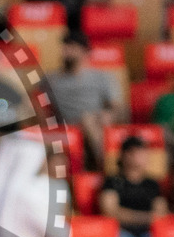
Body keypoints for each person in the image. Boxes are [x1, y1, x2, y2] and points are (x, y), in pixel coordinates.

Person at [46, 30, 124, 167]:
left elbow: (117, 107)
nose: (66, 51)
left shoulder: (102, 77)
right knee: (85, 121)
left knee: (88, 121)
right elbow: (35, 102)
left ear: (85, 51)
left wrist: (108, 114)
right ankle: (107, 168)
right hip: (67, 127)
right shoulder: (51, 80)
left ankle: (103, 166)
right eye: (65, 46)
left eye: (71, 47)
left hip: (96, 122)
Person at [99, 135, 167, 237]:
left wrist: (136, 217)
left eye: (145, 153)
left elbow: (161, 212)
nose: (144, 157)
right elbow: (110, 212)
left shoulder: (152, 184)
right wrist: (145, 217)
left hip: (148, 232)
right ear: (126, 155)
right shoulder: (112, 182)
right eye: (139, 153)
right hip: (122, 232)